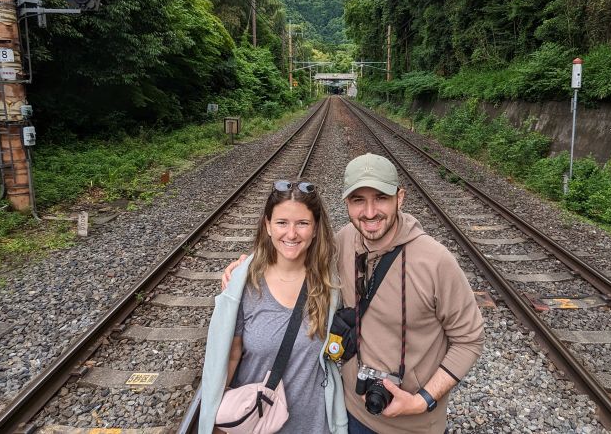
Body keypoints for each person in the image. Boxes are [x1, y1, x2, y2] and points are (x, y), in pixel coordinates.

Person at [224, 154, 484, 433]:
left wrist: (423, 400)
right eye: (358, 200)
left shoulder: (436, 262)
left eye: (381, 198)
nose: (370, 212)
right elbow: (294, 246)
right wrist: (245, 267)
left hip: (415, 425)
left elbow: (469, 339)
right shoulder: (343, 242)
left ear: (400, 198)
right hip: (348, 414)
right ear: (346, 203)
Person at [198, 179, 348, 434]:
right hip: (256, 424)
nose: (291, 234)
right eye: (281, 223)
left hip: (313, 426)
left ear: (315, 229)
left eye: (302, 223)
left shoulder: (329, 284)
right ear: (267, 225)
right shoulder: (245, 285)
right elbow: (230, 357)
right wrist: (215, 421)